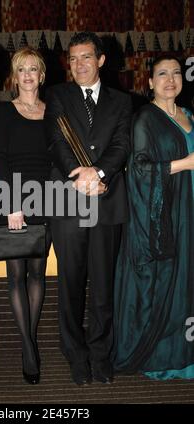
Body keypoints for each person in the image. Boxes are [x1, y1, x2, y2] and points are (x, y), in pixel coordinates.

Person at [44, 32, 132, 385]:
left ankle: (100, 353)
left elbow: (122, 142)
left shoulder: (122, 101)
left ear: (101, 60)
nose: (78, 64)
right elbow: (55, 140)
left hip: (107, 200)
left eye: (86, 57)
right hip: (67, 198)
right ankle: (75, 354)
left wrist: (99, 172)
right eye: (73, 58)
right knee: (70, 282)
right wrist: (77, 174)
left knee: (103, 285)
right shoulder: (58, 95)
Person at [113, 55, 194, 380]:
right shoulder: (145, 119)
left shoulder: (189, 116)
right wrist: (183, 164)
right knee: (163, 283)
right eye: (162, 74)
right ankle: (156, 354)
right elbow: (140, 169)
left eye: (176, 73)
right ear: (149, 82)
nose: (170, 79)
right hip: (160, 216)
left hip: (188, 210)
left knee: (186, 285)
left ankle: (184, 352)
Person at [0, 47, 51, 385]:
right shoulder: (5, 111)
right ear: (15, 77)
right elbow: (0, 159)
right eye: (21, 69)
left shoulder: (53, 110)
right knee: (17, 277)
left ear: (42, 75)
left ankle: (29, 339)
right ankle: (28, 347)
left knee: (37, 275)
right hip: (13, 200)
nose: (28, 75)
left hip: (47, 200)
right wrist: (12, 204)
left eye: (33, 69)